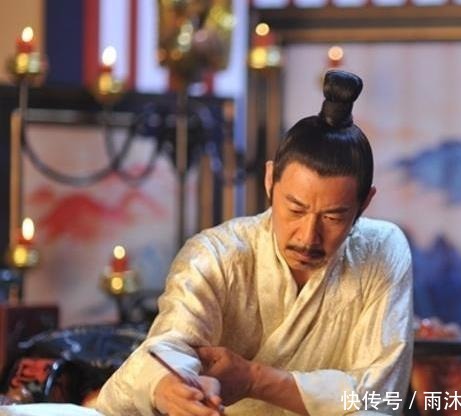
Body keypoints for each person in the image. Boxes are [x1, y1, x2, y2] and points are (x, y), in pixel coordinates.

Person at [95, 69, 413, 416]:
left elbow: (381, 398)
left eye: (333, 218)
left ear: (364, 204)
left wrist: (255, 379)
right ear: (269, 180)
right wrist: (169, 385)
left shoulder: (381, 251)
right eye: (295, 209)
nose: (308, 236)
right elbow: (170, 347)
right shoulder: (216, 256)